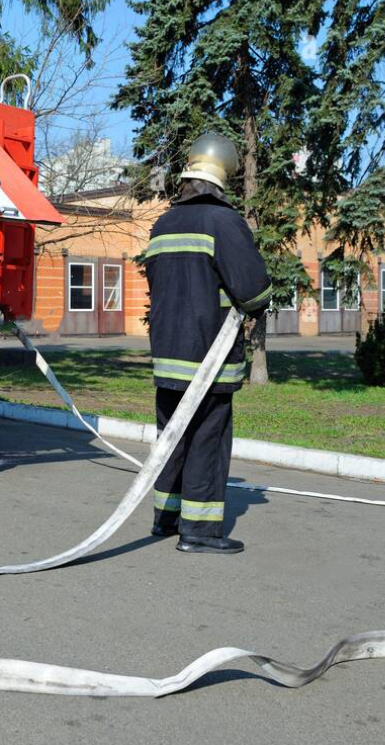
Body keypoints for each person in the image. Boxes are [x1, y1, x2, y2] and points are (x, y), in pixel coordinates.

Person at [144, 132, 272, 553]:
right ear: (220, 182)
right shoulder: (224, 223)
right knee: (206, 439)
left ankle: (166, 517)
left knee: (172, 438)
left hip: (168, 355)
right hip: (209, 358)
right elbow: (252, 291)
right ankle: (198, 532)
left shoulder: (162, 224)